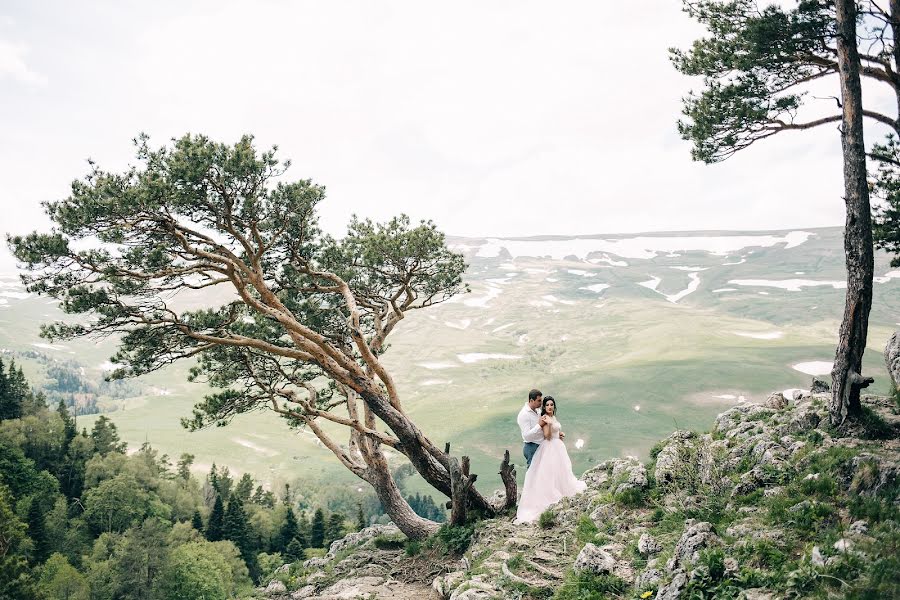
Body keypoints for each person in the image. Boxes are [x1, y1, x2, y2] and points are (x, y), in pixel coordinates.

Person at [514, 396, 586, 523]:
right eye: (547, 405)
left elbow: (555, 431)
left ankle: (562, 488)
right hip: (550, 447)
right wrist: (548, 424)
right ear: (544, 407)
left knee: (562, 470)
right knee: (549, 473)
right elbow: (547, 436)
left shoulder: (553, 417)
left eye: (551, 404)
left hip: (558, 446)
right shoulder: (546, 418)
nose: (549, 407)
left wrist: (559, 434)